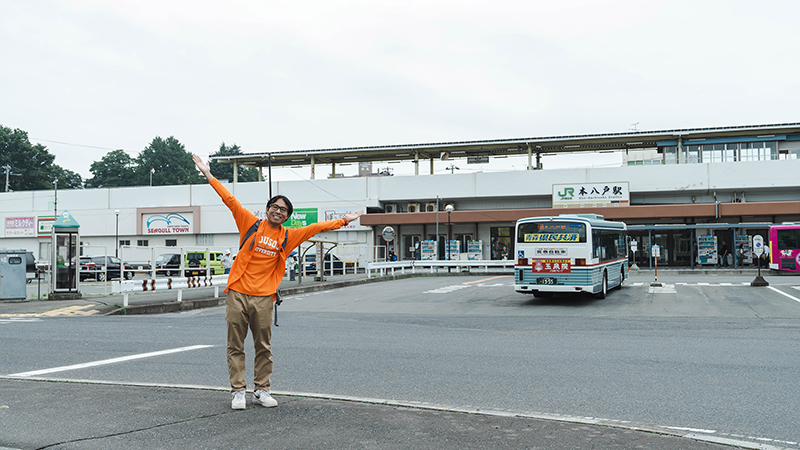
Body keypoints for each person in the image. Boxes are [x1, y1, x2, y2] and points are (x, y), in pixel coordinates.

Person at [193, 154, 363, 410]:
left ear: (287, 216)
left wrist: (344, 220)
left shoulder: (288, 236)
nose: (278, 211)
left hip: (263, 297)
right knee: (235, 345)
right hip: (237, 292)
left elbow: (316, 228)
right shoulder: (250, 223)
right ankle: (238, 391)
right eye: (275, 207)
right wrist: (208, 174)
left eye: (283, 210)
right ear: (268, 208)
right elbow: (229, 199)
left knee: (263, 346)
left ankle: (261, 389)